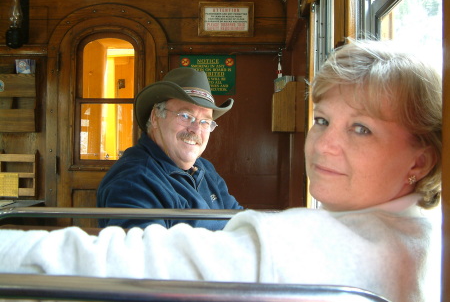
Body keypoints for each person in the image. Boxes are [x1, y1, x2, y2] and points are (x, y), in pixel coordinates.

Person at [0, 39, 442, 302]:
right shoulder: (132, 179)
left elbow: (235, 218)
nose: (324, 143)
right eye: (323, 120)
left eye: (361, 129)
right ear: (153, 118)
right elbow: (140, 270)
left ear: (419, 162)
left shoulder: (206, 172)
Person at [96, 67, 243, 230]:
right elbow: (148, 252)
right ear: (155, 117)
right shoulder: (134, 180)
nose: (195, 129)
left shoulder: (204, 168)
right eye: (186, 116)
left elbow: (240, 222)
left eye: (205, 122)